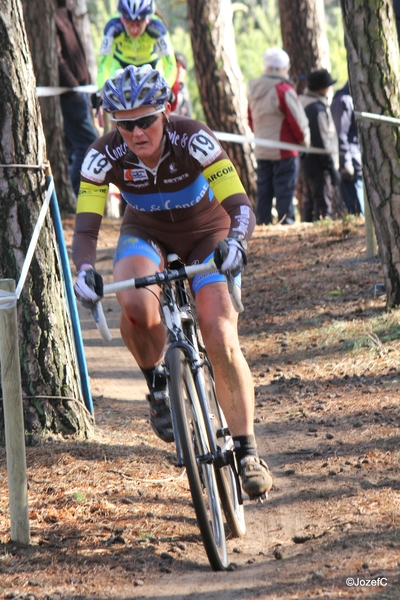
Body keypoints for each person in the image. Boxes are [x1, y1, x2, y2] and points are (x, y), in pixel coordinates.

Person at [72, 64, 273, 499]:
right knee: (136, 307)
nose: (137, 133)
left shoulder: (193, 138)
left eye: (146, 120)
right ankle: (158, 386)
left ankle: (247, 451)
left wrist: (237, 242)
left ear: (166, 111)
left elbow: (240, 205)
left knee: (219, 332)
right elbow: (86, 230)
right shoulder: (101, 156)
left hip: (207, 234)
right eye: (125, 125)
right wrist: (84, 270)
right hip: (145, 233)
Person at [247, 47, 310, 225]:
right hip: (285, 151)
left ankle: (262, 225)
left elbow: (251, 119)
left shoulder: (254, 90)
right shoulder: (284, 90)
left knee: (264, 191)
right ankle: (286, 224)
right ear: (282, 68)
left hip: (262, 150)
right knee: (284, 192)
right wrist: (304, 143)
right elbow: (297, 122)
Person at [55, 0, 98, 196]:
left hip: (81, 91)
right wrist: (73, 87)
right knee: (88, 145)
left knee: (78, 147)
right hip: (72, 95)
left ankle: (72, 195)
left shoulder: (68, 12)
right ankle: (73, 193)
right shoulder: (54, 17)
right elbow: (56, 57)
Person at [97, 0, 177, 92]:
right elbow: (103, 64)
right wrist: (101, 90)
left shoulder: (157, 27)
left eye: (139, 24)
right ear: (121, 18)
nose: (133, 30)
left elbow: (170, 65)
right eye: (128, 23)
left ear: (148, 20)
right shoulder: (112, 27)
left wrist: (166, 87)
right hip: (120, 65)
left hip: (151, 65)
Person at [299, 68, 340, 222]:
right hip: (319, 163)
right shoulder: (317, 110)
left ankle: (309, 230)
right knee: (323, 201)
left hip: (309, 160)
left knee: (311, 199)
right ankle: (323, 228)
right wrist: (330, 166)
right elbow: (321, 141)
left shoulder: (307, 105)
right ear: (322, 89)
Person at [331, 81, 364, 216]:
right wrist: (346, 162)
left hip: (357, 160)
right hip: (351, 161)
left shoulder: (352, 98)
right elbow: (341, 134)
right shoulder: (343, 101)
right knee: (355, 209)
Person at [171, 52, 193, 117]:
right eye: (177, 66)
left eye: (182, 68)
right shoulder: (164, 85)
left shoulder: (184, 90)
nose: (179, 70)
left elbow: (189, 115)